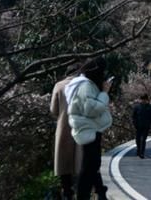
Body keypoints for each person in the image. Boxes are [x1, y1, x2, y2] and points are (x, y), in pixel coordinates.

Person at [66, 57, 112, 200]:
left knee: (90, 166)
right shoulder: (86, 85)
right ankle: (83, 196)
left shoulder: (82, 83)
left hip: (88, 129)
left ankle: (89, 194)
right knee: (89, 168)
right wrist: (105, 92)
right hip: (88, 130)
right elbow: (91, 109)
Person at [50, 73, 82, 200]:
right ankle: (81, 192)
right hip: (80, 127)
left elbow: (53, 110)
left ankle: (68, 192)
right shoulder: (84, 85)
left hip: (64, 128)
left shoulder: (59, 85)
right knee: (80, 161)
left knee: (63, 162)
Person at [132, 94, 151, 158]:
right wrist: (135, 124)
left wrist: (150, 124)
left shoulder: (149, 107)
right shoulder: (136, 107)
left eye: (144, 99)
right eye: (142, 99)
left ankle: (142, 153)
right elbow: (134, 116)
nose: (143, 101)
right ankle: (138, 149)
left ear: (147, 100)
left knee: (143, 139)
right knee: (138, 139)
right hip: (138, 125)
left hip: (146, 126)